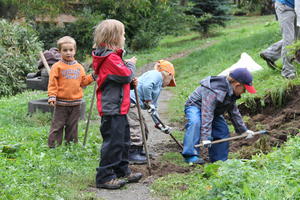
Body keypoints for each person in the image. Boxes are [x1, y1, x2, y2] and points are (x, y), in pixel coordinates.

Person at [92, 19, 142, 190]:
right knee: (113, 143)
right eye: (123, 34)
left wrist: (129, 81)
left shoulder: (113, 57)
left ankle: (122, 170)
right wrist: (131, 65)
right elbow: (126, 74)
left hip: (120, 108)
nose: (125, 37)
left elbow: (122, 79)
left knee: (123, 141)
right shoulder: (110, 59)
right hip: (112, 108)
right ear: (114, 37)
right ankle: (104, 176)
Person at [182, 68, 256, 164]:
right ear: (237, 85)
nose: (244, 92)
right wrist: (205, 138)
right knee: (195, 122)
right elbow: (207, 113)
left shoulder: (231, 92)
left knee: (222, 130)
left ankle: (219, 160)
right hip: (195, 106)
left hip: (212, 111)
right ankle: (190, 155)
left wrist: (243, 131)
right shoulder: (215, 90)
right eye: (244, 89)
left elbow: (234, 112)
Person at [47, 36, 96, 148]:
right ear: (59, 52)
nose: (68, 52)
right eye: (65, 50)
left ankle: (71, 146)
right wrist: (52, 96)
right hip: (61, 103)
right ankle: (53, 145)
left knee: (72, 125)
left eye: (71, 50)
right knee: (58, 125)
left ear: (75, 50)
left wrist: (93, 76)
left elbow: (83, 82)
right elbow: (53, 83)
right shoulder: (57, 67)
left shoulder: (79, 67)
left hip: (75, 103)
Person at [128, 60, 176, 164]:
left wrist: (160, 124)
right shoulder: (156, 75)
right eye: (170, 81)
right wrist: (148, 101)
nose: (168, 84)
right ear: (169, 74)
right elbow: (146, 86)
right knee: (136, 126)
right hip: (130, 101)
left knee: (143, 127)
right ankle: (132, 153)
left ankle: (139, 151)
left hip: (135, 104)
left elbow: (153, 108)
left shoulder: (158, 87)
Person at [260, 0, 300, 79]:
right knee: (290, 40)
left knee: (295, 39)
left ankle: (270, 53)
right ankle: (288, 72)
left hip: (296, 7)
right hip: (285, 6)